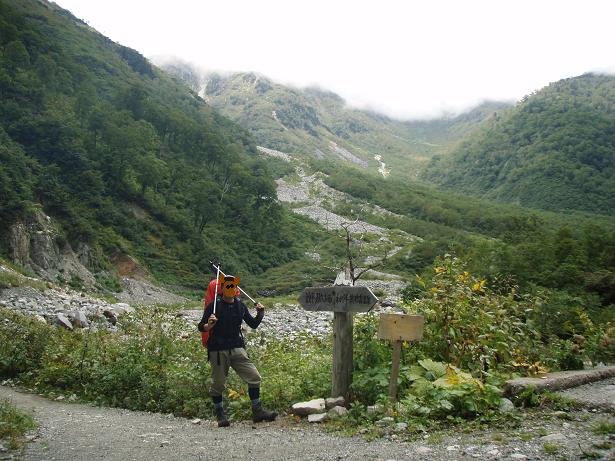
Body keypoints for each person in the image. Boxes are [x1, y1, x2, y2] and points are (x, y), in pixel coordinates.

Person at [198, 274, 277, 427]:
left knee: (254, 376)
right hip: (218, 350)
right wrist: (208, 326)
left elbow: (252, 324)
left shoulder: (240, 305)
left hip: (237, 347)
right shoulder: (214, 306)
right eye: (227, 286)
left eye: (232, 286)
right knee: (218, 384)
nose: (230, 289)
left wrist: (260, 313)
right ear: (222, 288)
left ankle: (257, 411)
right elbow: (201, 326)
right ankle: (220, 414)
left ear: (236, 289)